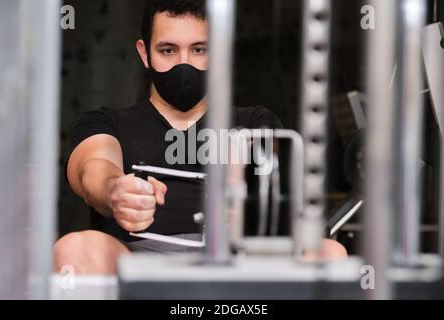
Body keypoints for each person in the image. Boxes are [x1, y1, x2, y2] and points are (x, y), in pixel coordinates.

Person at [54, 0, 347, 275]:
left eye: (199, 50)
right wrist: (115, 190)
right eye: (168, 50)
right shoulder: (108, 122)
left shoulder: (255, 121)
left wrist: (248, 206)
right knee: (74, 249)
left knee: (329, 253)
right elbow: (92, 167)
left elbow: (270, 180)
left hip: (234, 262)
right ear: (145, 54)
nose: (185, 65)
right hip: (137, 262)